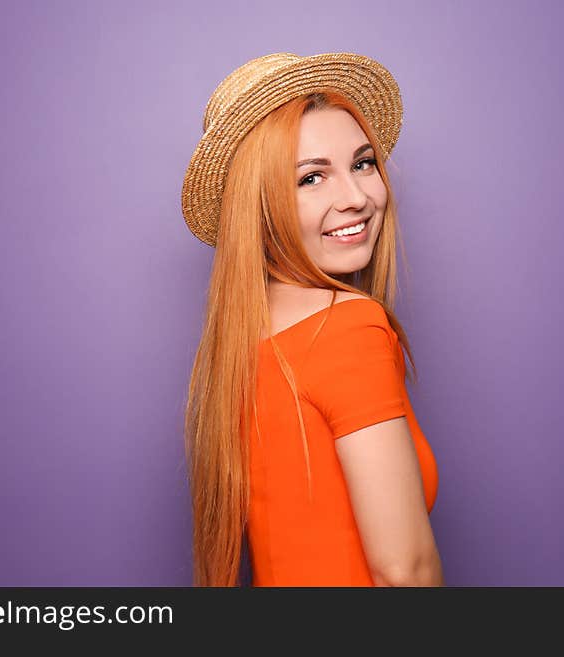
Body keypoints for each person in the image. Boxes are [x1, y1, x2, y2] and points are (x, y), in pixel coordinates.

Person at [180, 52, 443, 587]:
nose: (357, 198)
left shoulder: (241, 344)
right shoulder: (349, 328)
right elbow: (405, 572)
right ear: (258, 206)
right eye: (311, 178)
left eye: (363, 163)